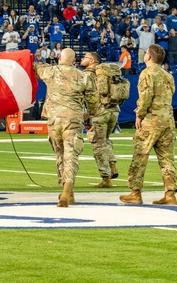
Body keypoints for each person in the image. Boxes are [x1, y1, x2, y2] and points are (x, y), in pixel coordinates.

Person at [35, 48, 98, 207]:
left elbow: (35, 67)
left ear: (59, 58)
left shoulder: (51, 72)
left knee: (61, 156)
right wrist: (89, 113)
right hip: (73, 120)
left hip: (54, 121)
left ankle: (67, 191)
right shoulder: (83, 76)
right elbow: (93, 101)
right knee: (71, 156)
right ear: (74, 60)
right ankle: (67, 192)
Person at [121, 44, 177, 206]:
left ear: (149, 57)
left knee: (140, 155)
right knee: (167, 158)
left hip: (151, 120)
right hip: (167, 120)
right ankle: (170, 193)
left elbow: (146, 97)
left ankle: (135, 192)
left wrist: (139, 114)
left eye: (146, 53)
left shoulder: (147, 73)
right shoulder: (168, 75)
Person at [83, 52, 122, 187]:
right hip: (114, 110)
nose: (82, 59)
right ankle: (112, 165)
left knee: (97, 143)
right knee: (104, 139)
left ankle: (106, 178)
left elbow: (86, 95)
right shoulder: (107, 72)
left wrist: (88, 112)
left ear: (92, 60)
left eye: (85, 58)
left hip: (99, 112)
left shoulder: (88, 74)